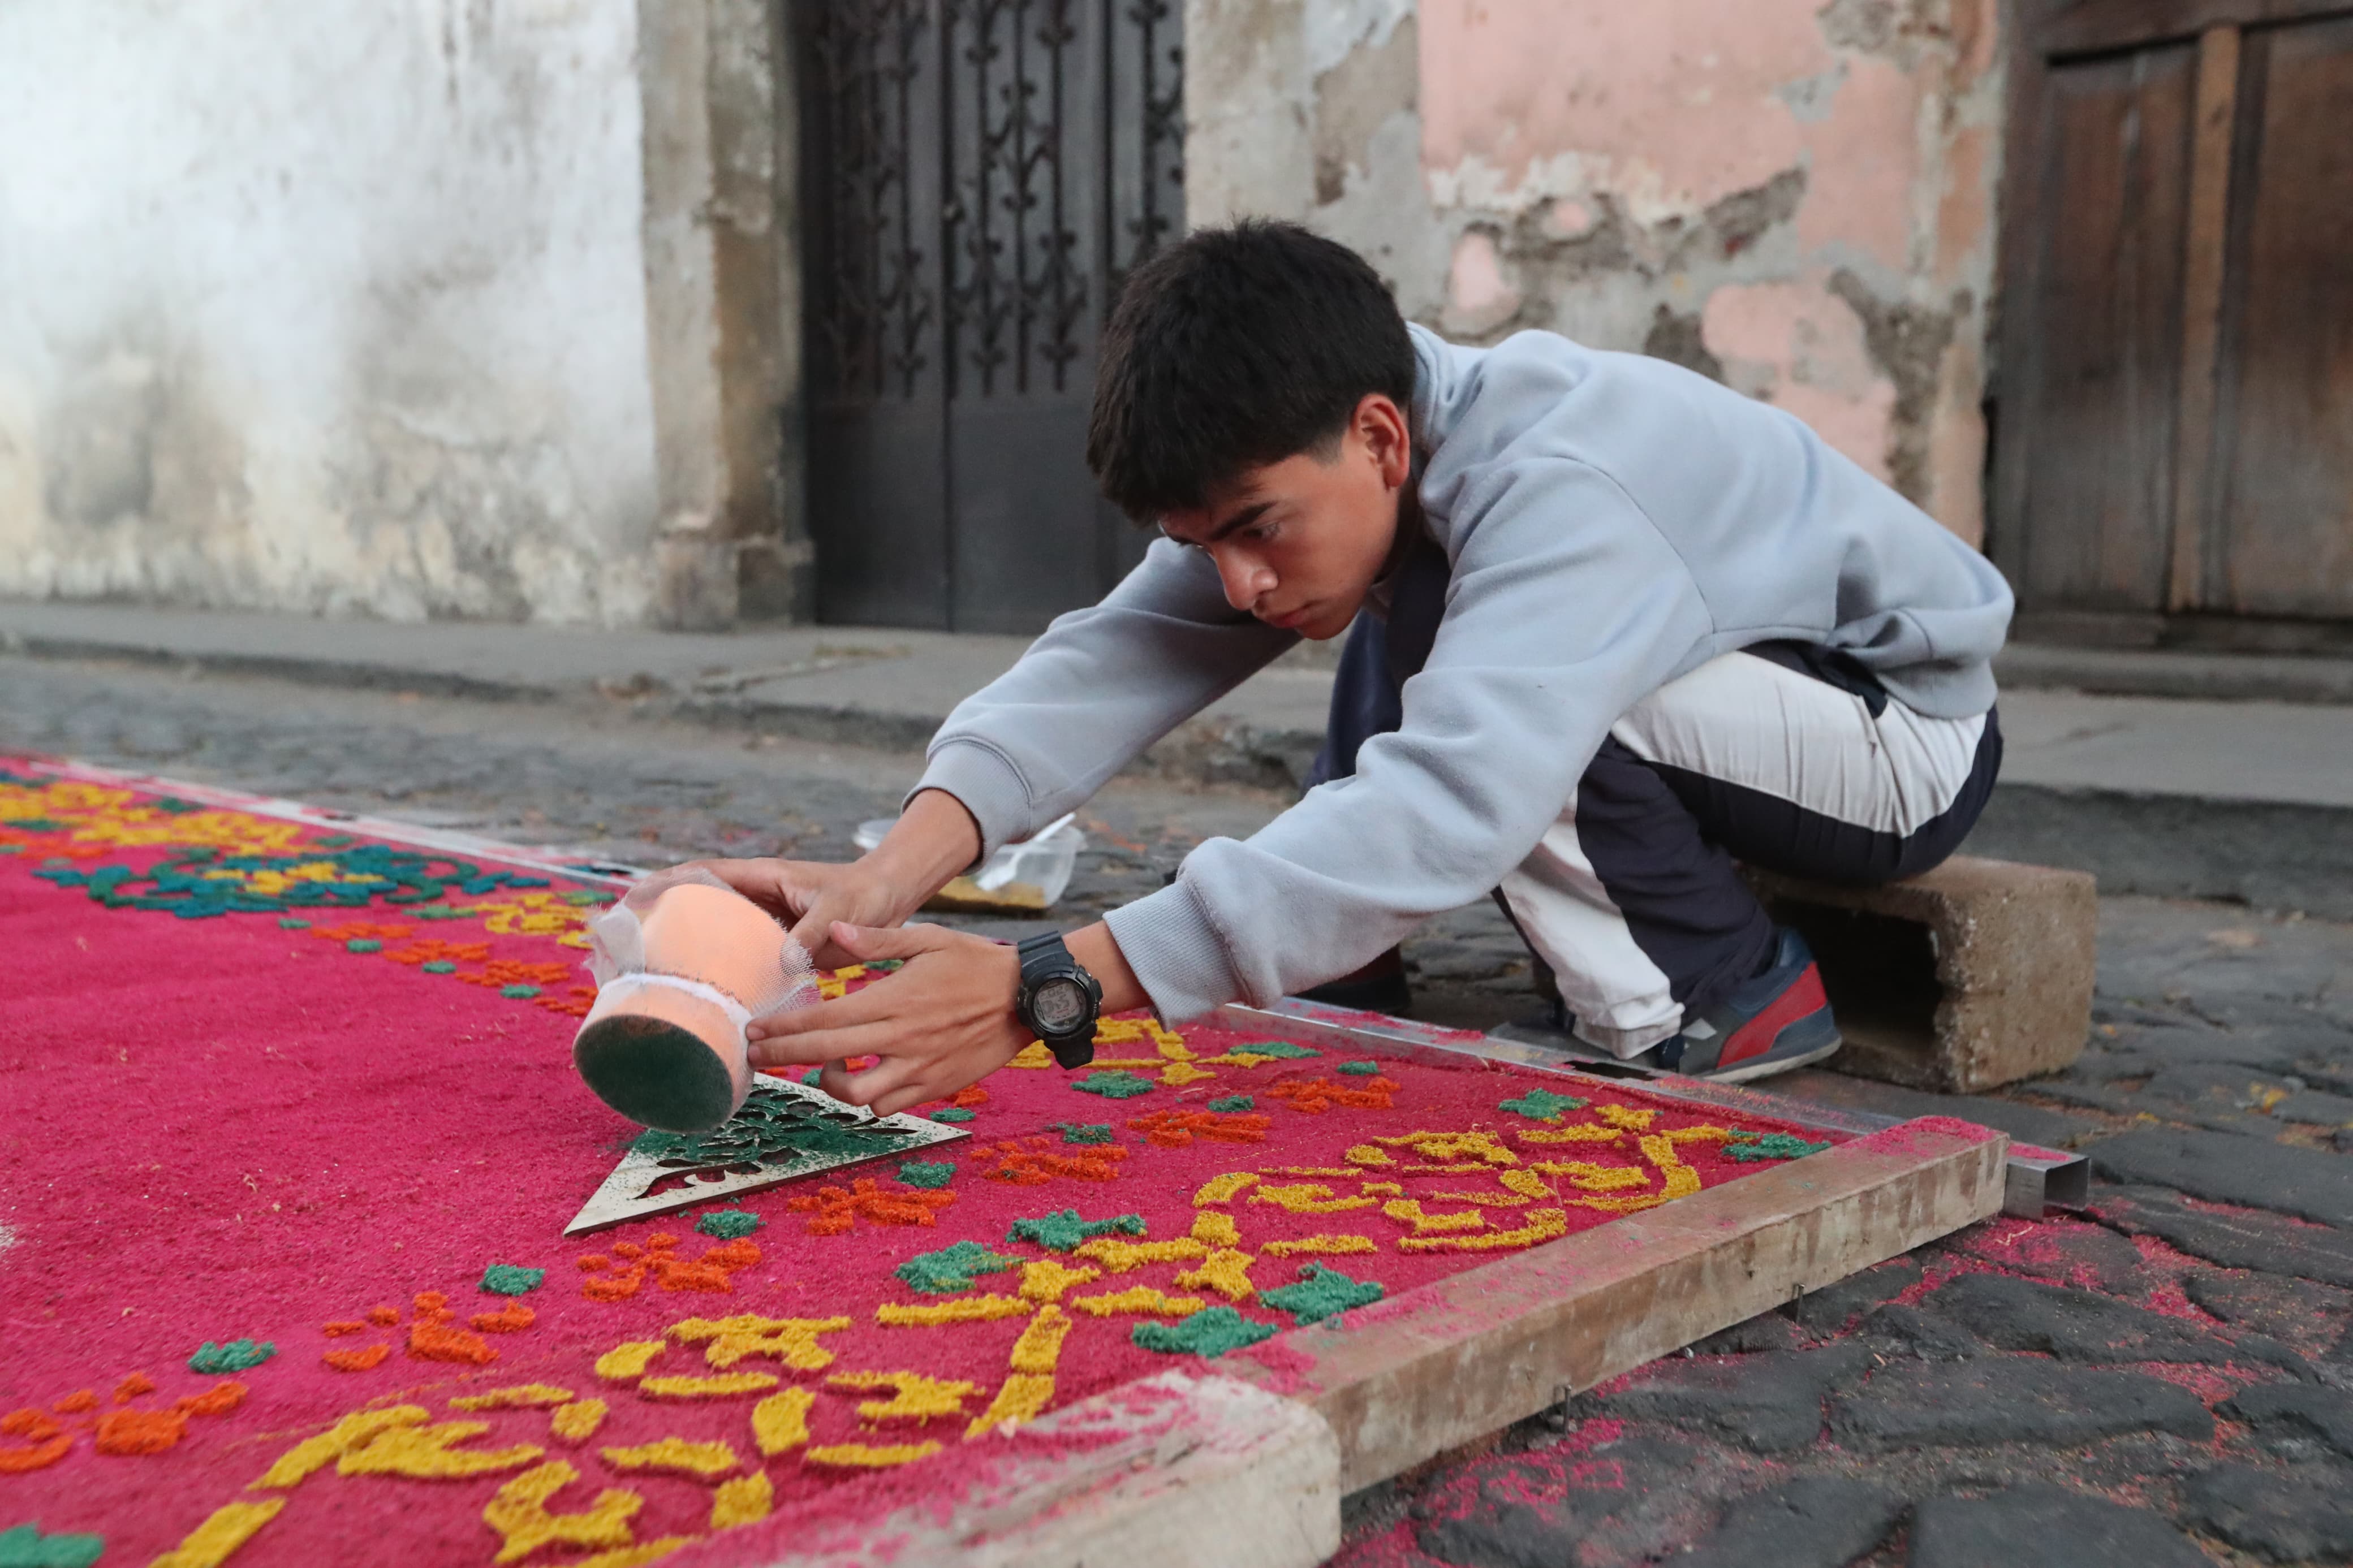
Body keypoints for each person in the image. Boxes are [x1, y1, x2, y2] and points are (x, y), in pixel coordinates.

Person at [699, 221, 2010, 1117]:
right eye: (1200, 543)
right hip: (1742, 691)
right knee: (1383, 595)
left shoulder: (1559, 489)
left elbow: (1456, 795)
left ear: (1380, 435)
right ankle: (1358, 957)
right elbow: (1118, 653)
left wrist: (1051, 981)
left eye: (1254, 528)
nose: (1239, 583)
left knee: (1504, 677)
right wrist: (895, 869)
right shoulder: (1346, 444)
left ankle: (1718, 993)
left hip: (1900, 733)